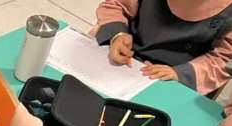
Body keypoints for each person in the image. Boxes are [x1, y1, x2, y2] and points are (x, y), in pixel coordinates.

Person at [94, 0, 232, 92]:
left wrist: (181, 74)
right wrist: (117, 34)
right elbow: (116, 5)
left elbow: (223, 59)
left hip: (171, 80)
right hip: (122, 59)